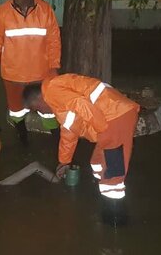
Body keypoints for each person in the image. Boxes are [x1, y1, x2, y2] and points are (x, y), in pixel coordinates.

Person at [22, 74, 140, 226]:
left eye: (36, 109)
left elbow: (80, 103)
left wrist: (101, 128)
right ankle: (104, 199)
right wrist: (63, 162)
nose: (41, 113)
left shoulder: (52, 90)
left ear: (38, 100)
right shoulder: (58, 103)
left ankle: (115, 221)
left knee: (112, 177)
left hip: (115, 118)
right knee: (97, 163)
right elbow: (68, 133)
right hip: (110, 122)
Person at [0, 0, 61, 146]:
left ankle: (59, 143)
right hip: (13, 74)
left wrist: (54, 66)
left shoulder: (45, 10)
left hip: (40, 73)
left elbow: (54, 41)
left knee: (48, 111)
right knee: (16, 111)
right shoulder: (2, 12)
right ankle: (23, 138)